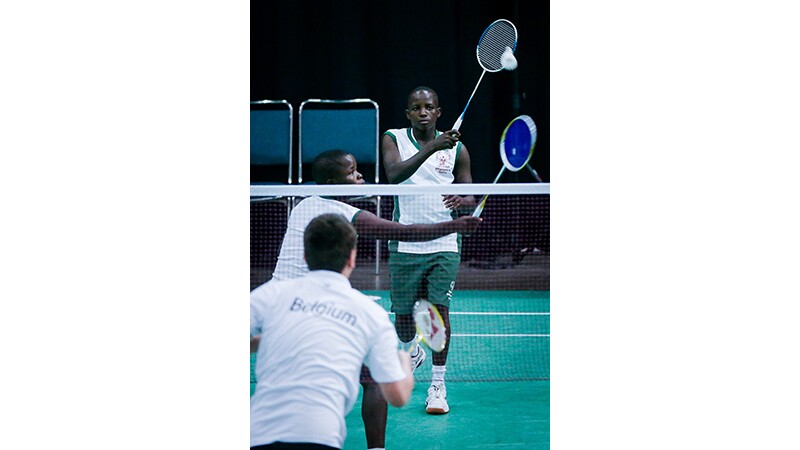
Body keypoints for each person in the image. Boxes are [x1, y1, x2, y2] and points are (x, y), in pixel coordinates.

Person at [251, 149, 482, 449]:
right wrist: (456, 226)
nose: (360, 175)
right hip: (325, 315)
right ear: (351, 259)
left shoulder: (301, 206)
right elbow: (405, 232)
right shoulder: (348, 221)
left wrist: (262, 339)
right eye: (352, 172)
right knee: (373, 377)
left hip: (280, 312)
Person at [250, 214, 414, 450]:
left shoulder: (272, 295)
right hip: (319, 438)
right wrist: (404, 364)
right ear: (352, 258)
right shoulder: (371, 314)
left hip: (258, 437)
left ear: (305, 256)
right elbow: (397, 396)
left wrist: (262, 341)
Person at [381, 86, 477, 415]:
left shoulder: (458, 150)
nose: (423, 112)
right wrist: (434, 147)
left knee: (438, 311)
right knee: (404, 320)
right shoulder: (393, 138)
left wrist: (463, 201)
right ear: (408, 113)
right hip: (405, 240)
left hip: (444, 242)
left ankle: (438, 385)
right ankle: (413, 349)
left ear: (439, 112)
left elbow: (470, 196)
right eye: (416, 107)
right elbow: (394, 175)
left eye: (429, 107)